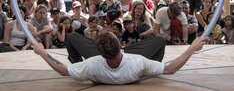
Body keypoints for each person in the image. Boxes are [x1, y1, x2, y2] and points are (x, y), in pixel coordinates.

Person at [33, 31, 208, 84]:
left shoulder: (92, 64)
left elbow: (63, 71)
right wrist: (191, 49)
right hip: (133, 66)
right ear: (120, 44)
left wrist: (42, 53)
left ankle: (75, 63)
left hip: (98, 65)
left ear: (98, 49)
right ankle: (153, 68)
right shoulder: (137, 62)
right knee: (159, 40)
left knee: (71, 37)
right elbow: (170, 69)